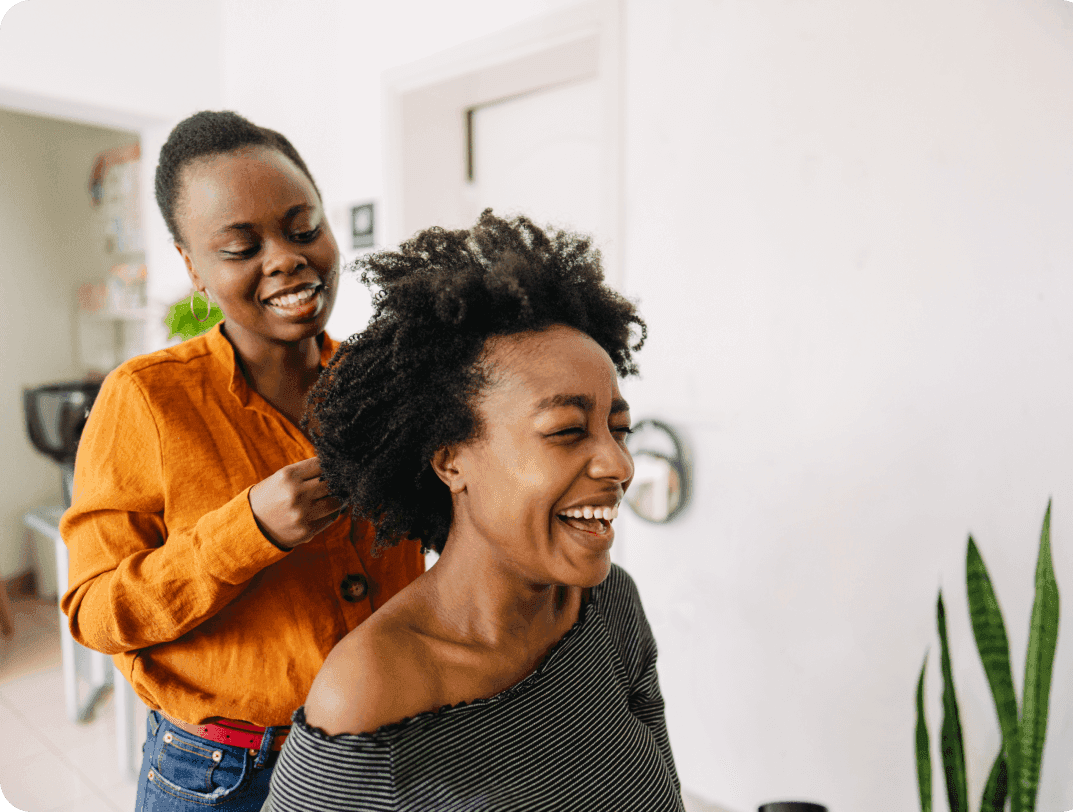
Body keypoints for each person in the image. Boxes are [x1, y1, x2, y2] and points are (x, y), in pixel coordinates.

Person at [59, 111, 425, 812]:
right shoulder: (144, 401)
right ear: (194, 267)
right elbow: (95, 612)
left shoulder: (387, 386)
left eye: (302, 227)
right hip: (225, 775)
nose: (286, 258)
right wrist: (247, 531)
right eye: (240, 246)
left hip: (385, 747)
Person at [262, 210, 684, 811]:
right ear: (452, 461)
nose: (618, 465)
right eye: (567, 430)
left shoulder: (610, 603)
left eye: (618, 430)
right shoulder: (372, 691)